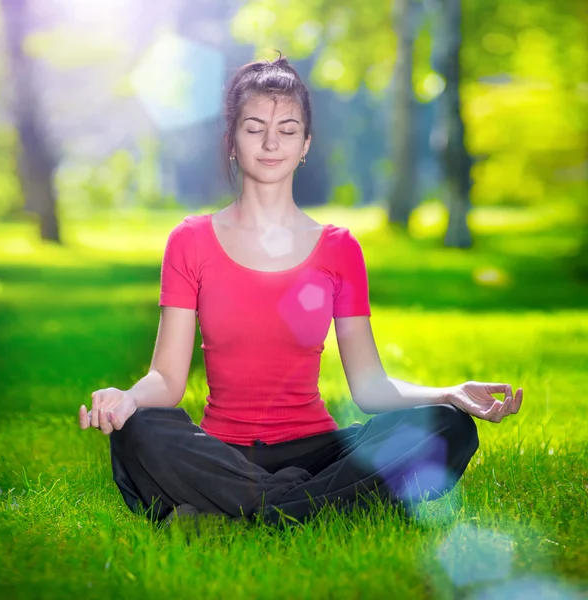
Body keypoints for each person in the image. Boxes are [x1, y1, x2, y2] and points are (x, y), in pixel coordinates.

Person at [77, 55, 523, 527]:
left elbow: (371, 387)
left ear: (305, 143)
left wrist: (449, 393)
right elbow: (166, 381)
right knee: (138, 429)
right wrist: (127, 397)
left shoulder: (339, 248)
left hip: (319, 451)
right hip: (222, 453)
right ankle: (311, 507)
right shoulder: (189, 241)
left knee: (445, 427)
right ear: (232, 140)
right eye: (254, 128)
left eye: (288, 129)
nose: (271, 142)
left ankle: (239, 510)